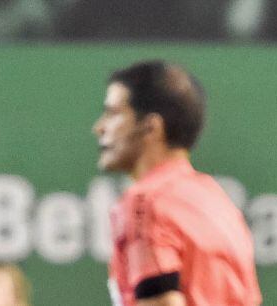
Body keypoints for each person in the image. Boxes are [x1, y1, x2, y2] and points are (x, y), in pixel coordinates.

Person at [92, 61, 262, 306]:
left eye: (113, 113)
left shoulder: (144, 201)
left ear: (151, 127)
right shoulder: (219, 202)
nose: (99, 128)